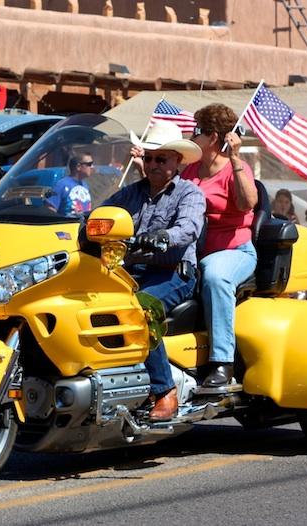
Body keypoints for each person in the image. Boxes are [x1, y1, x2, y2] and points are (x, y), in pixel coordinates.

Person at [105, 120, 205, 420]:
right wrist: (79, 226)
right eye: (148, 158)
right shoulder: (131, 193)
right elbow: (100, 214)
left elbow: (188, 228)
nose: (152, 164)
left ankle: (165, 390)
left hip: (173, 272)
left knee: (141, 309)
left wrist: (164, 236)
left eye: (160, 158)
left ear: (177, 161)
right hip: (131, 273)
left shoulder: (189, 194)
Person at [182, 104, 259, 388]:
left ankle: (222, 363)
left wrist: (236, 158)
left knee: (214, 276)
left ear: (213, 137)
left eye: (197, 131)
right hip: (193, 250)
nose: (192, 136)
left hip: (235, 251)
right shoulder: (189, 169)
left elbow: (248, 203)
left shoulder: (234, 169)